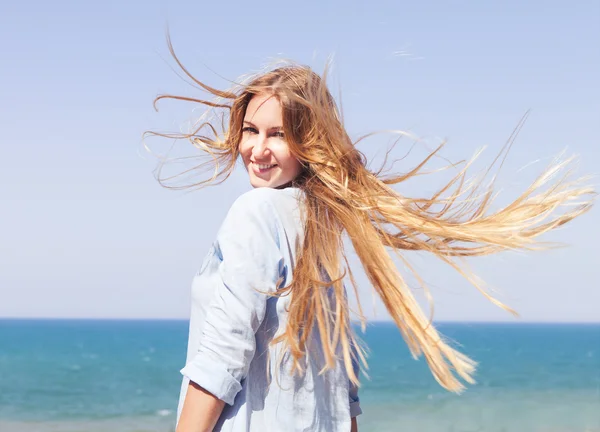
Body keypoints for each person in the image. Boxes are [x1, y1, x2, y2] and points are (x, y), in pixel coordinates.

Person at [148, 42, 594, 432]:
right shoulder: (321, 222)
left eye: (278, 135)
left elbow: (223, 357)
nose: (257, 149)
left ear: (309, 141)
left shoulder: (258, 212)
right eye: (251, 130)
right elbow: (342, 382)